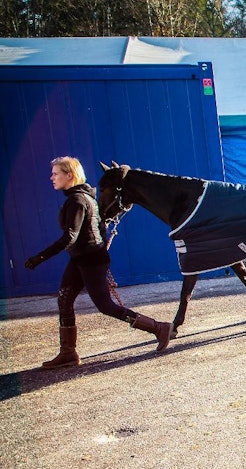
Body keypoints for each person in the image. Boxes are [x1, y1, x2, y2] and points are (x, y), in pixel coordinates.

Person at [24, 156, 170, 369]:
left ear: (69, 175)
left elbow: (69, 237)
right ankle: (68, 353)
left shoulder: (77, 201)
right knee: (64, 299)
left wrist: (40, 258)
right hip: (81, 258)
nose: (51, 177)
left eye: (56, 173)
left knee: (106, 306)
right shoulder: (84, 198)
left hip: (91, 260)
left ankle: (159, 328)